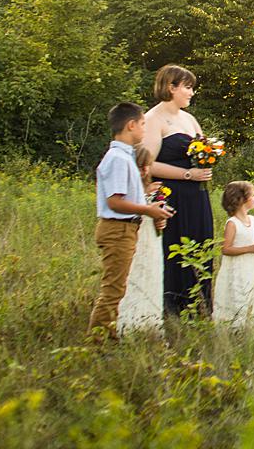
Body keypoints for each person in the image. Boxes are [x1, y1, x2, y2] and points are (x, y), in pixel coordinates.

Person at [88, 102, 173, 339]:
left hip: (126, 229)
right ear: (131, 125)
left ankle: (110, 335)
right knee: (113, 289)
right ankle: (96, 342)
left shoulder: (125, 157)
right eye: (143, 124)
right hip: (117, 229)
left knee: (118, 286)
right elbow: (115, 201)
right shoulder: (117, 158)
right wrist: (148, 210)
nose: (145, 129)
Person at [142, 64, 216, 316]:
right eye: (187, 87)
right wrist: (188, 173)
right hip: (172, 193)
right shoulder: (153, 119)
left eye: (191, 87)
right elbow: (147, 164)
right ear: (170, 87)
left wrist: (208, 160)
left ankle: (199, 305)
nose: (191, 92)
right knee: (175, 248)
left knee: (201, 242)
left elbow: (204, 150)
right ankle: (174, 307)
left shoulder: (189, 119)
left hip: (196, 194)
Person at [118, 146, 167, 334]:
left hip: (151, 238)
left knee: (152, 274)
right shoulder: (127, 188)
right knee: (133, 274)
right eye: (141, 165)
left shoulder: (155, 187)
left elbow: (157, 213)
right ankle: (128, 322)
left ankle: (150, 322)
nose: (145, 170)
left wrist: (160, 221)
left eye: (147, 165)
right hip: (133, 234)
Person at [213, 180, 254, 326]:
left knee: (253, 289)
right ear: (242, 200)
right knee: (238, 292)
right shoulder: (232, 223)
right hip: (238, 267)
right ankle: (236, 323)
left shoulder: (252, 220)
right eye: (252, 195)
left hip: (253, 265)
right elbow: (226, 249)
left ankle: (252, 319)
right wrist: (250, 249)